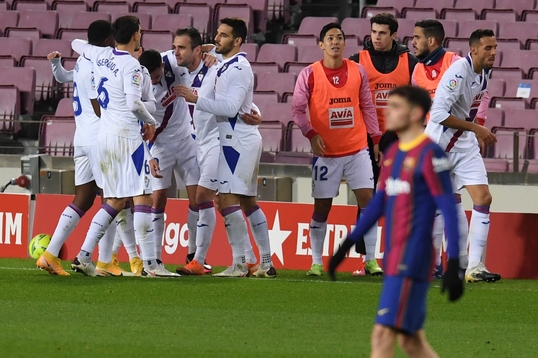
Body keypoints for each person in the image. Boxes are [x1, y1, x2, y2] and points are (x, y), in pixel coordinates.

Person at [316, 85, 475, 358]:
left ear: (417, 114)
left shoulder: (430, 155)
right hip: (396, 259)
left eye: (397, 106)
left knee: (383, 335)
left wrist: (455, 264)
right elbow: (379, 203)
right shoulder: (393, 154)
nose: (388, 110)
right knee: (411, 342)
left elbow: (449, 208)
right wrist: (349, 243)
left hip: (413, 260)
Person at [69, 15, 175, 278]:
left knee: (115, 200)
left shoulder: (101, 57)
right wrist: (151, 121)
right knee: (143, 196)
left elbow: (77, 44)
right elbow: (133, 103)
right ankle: (151, 264)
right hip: (126, 138)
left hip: (104, 136)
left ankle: (83, 255)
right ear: (137, 35)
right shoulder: (132, 66)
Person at [178, 18, 276, 278]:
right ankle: (264, 263)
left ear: (238, 41)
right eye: (218, 34)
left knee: (228, 201)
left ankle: (240, 264)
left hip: (237, 141)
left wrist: (195, 98)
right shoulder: (225, 64)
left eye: (224, 35)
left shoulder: (238, 68)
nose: (218, 39)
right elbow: (241, 104)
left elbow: (232, 107)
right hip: (232, 140)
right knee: (246, 201)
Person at [291, 22, 383, 277]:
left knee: (368, 202)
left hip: (357, 150)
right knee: (322, 208)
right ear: (321, 44)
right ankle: (317, 262)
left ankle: (371, 260)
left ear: (344, 44)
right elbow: (298, 111)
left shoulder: (358, 71)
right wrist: (310, 134)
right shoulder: (309, 74)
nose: (335, 41)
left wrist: (375, 139)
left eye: (339, 38)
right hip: (326, 155)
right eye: (330, 37)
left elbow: (367, 105)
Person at [37, 20, 116, 276]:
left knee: (83, 199)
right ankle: (104, 261)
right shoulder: (99, 64)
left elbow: (63, 76)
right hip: (98, 138)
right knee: (112, 198)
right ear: (107, 42)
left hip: (80, 138)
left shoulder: (83, 60)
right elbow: (98, 103)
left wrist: (55, 64)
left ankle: (50, 254)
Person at [426, 29, 500, 283]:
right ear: (474, 50)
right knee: (449, 203)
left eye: (495, 47)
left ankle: (474, 267)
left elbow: (472, 106)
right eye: (488, 48)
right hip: (441, 145)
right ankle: (453, 264)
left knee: (483, 197)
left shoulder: (486, 72)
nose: (493, 52)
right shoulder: (457, 73)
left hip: (464, 144)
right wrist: (476, 127)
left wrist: (475, 129)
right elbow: (437, 114)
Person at [347, 12, 418, 275]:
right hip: (367, 137)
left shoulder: (409, 61)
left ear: (394, 35)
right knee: (367, 197)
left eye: (382, 33)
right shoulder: (358, 61)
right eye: (374, 32)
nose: (376, 37)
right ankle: (368, 260)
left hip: (397, 137)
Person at [138, 47, 202, 275]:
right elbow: (138, 129)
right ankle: (155, 258)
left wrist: (210, 52)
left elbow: (193, 49)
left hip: (186, 139)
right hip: (160, 146)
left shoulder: (171, 61)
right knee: (158, 200)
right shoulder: (137, 87)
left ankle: (193, 256)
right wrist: (150, 155)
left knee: (197, 198)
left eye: (156, 77)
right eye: (150, 78)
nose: (154, 82)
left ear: (162, 68)